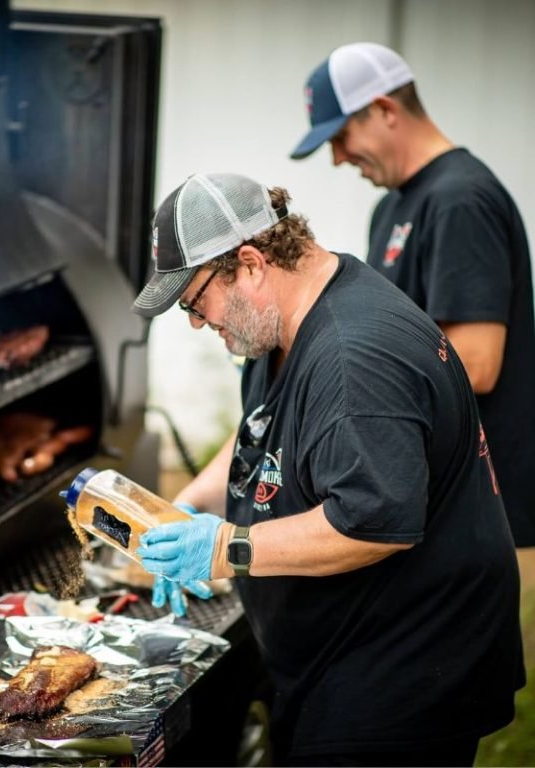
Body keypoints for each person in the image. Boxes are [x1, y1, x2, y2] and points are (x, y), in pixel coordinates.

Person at [131, 171, 524, 766]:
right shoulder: (282, 326)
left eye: (194, 300)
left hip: (404, 673)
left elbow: (370, 524)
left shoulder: (354, 360)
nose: (195, 320)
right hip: (342, 654)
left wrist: (227, 548)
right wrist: (189, 505)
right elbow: (261, 430)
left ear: (251, 262)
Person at [289, 41, 535, 552]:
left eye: (340, 136)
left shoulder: (460, 199)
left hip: (483, 506)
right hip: (434, 489)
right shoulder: (394, 207)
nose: (337, 158)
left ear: (384, 109)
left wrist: (348, 391)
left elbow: (478, 360)